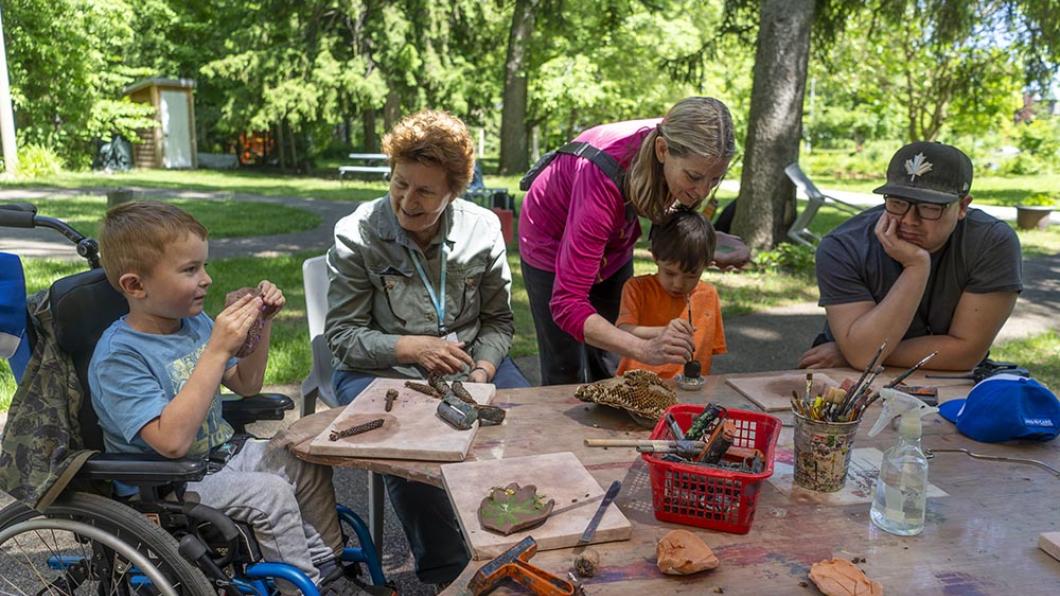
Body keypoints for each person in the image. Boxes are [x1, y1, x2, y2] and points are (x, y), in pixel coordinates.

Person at [88, 202, 361, 595]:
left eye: (204, 266)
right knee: (270, 494)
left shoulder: (192, 323)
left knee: (306, 458)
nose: (207, 279)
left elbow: (247, 384)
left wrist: (261, 323)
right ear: (135, 286)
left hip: (219, 456)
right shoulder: (119, 356)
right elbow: (171, 443)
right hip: (165, 483)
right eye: (190, 270)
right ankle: (303, 588)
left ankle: (328, 570)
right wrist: (216, 350)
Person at [326, 109, 529, 586]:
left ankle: (510, 550)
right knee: (412, 456)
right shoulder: (358, 233)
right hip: (383, 367)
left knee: (525, 433)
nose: (406, 201)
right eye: (399, 183)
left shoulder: (482, 229)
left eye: (425, 192)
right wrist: (412, 348)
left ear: (454, 192)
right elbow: (343, 339)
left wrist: (481, 372)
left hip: (470, 362)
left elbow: (499, 321)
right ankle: (451, 575)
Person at [519, 96, 736, 385]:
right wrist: (644, 349)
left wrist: (704, 244)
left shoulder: (677, 139)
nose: (702, 192)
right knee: (565, 369)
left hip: (613, 236)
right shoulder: (603, 173)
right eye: (694, 177)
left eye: (714, 180)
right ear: (662, 150)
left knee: (610, 359)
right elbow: (567, 303)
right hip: (549, 238)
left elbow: (664, 214)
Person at [799, 141, 1022, 371]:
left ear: (963, 206)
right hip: (850, 378)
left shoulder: (992, 243)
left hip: (946, 378)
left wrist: (854, 352)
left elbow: (966, 353)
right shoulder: (843, 246)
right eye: (897, 202)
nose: (908, 220)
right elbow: (864, 355)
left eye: (929, 208)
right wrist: (917, 267)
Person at [615, 209, 726, 378]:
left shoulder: (709, 295)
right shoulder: (636, 289)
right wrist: (663, 332)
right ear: (655, 257)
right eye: (670, 273)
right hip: (637, 388)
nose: (678, 284)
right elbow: (623, 332)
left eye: (691, 276)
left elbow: (710, 351)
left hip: (689, 391)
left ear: (707, 265)